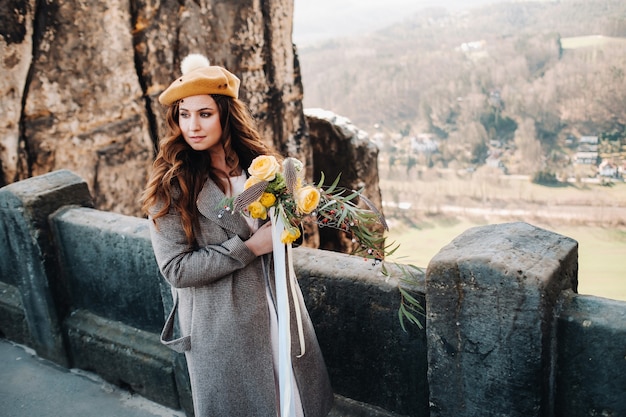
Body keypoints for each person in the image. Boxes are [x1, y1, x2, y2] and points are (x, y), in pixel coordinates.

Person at [141, 54, 334, 417]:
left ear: (226, 115)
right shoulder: (172, 187)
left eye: (205, 114)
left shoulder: (262, 168)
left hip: (280, 312)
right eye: (184, 115)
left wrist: (292, 222)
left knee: (295, 404)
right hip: (225, 328)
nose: (193, 126)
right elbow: (176, 270)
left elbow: (287, 235)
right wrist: (248, 247)